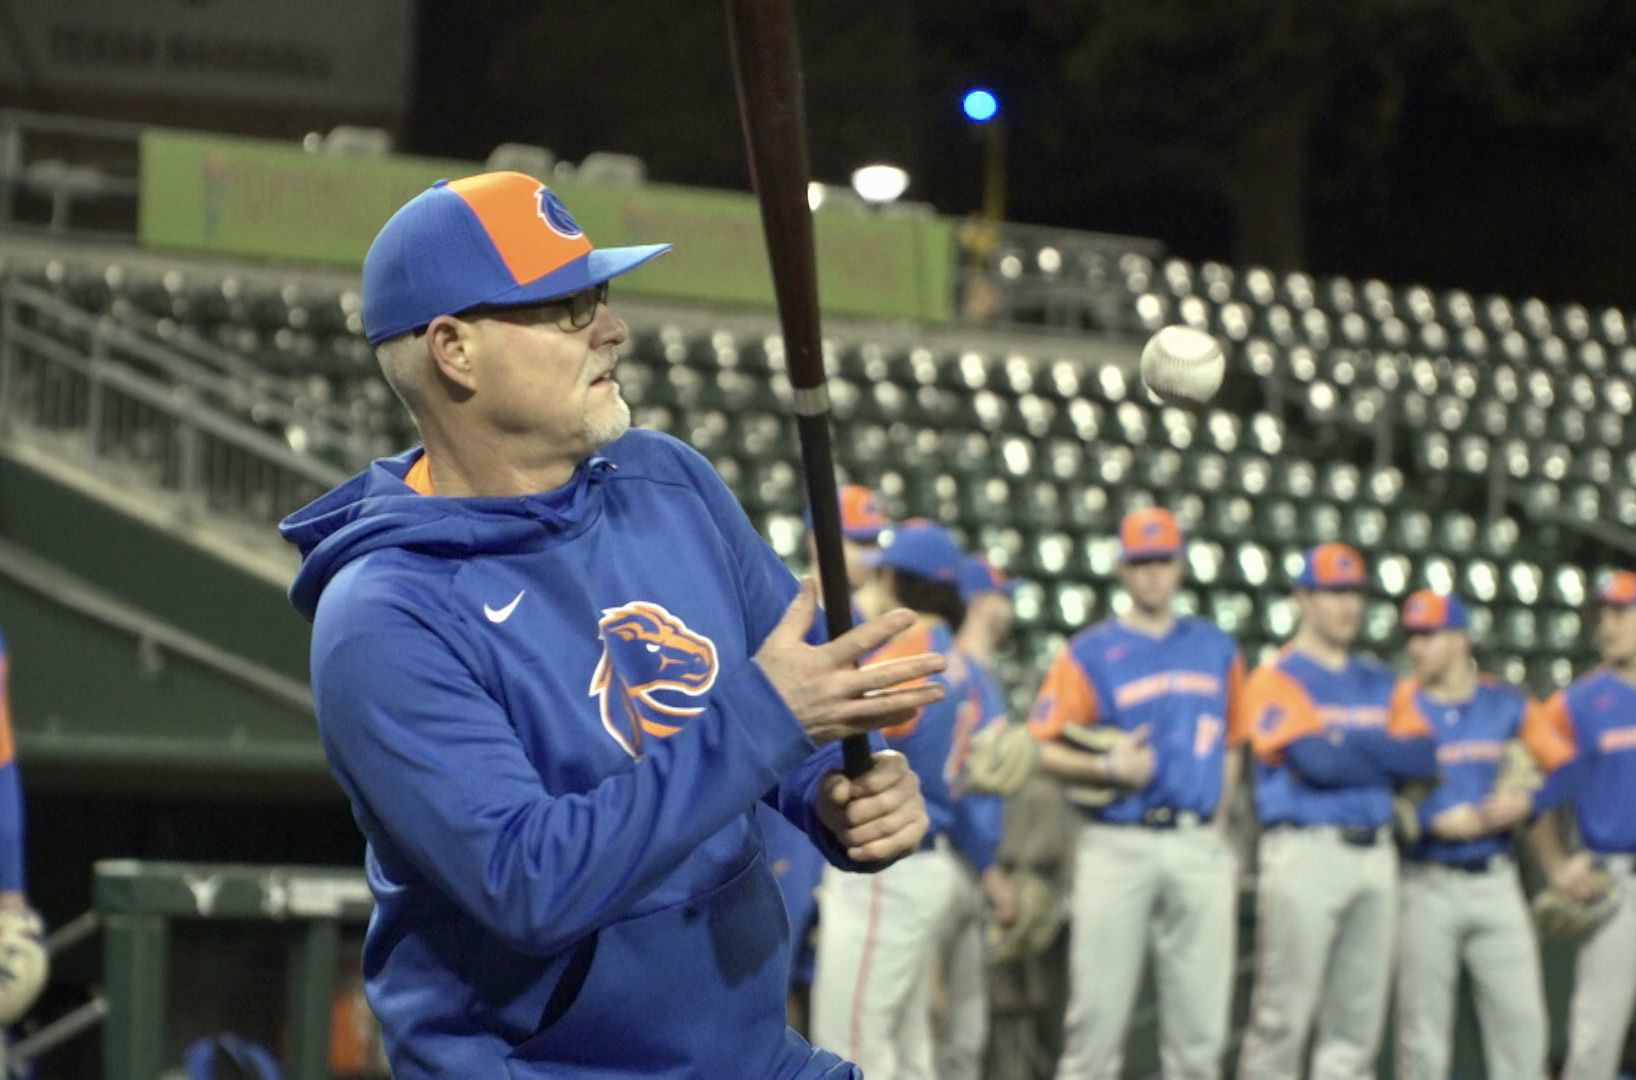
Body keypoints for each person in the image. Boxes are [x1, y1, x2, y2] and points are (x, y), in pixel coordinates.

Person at [279, 171, 943, 1079]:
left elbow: (799, 695)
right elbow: (530, 883)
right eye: (565, 308)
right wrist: (770, 721)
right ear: (454, 350)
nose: (612, 329)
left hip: (748, 1055)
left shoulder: (665, 479)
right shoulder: (382, 615)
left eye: (602, 296)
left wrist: (838, 793)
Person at [1027, 507, 1245, 1079]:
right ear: (1123, 569)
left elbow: (1233, 744)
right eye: (1142, 562)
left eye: (1163, 560)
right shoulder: (1090, 651)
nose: (1153, 574)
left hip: (1196, 840)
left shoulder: (1217, 648)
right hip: (1116, 841)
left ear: (1180, 564)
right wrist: (1105, 766)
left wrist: (1218, 829)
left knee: (1200, 1039)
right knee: (1095, 1027)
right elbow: (1038, 748)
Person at [1236, 543, 1437, 1080]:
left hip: (1375, 855)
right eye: (1333, 592)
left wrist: (1349, 745)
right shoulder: (1274, 676)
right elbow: (1317, 761)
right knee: (1282, 1021)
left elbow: (1423, 755)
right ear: (1304, 598)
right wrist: (1376, 753)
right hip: (1307, 851)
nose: (1347, 605)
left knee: (1356, 1029)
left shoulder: (1380, 679)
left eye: (1354, 593)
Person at [810, 520, 974, 1078]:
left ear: (893, 577)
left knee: (852, 1042)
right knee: (907, 1048)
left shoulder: (908, 651)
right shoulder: (960, 655)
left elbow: (837, 724)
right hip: (931, 857)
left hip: (889, 866)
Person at [1390, 589, 1547, 1080]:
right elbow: (1382, 785)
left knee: (1524, 1028)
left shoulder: (1507, 702)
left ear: (1460, 639)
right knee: (1422, 1039)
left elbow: (1562, 765)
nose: (1417, 648)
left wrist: (1528, 799)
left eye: (1429, 635)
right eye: (1412, 636)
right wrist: (1428, 817)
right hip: (1426, 878)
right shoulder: (1399, 703)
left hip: (1497, 876)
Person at [763, 483, 894, 1032]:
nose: (867, 555)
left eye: (871, 542)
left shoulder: (867, 618)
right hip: (789, 812)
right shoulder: (785, 609)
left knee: (833, 985)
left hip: (847, 807)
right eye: (855, 541)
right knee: (777, 971)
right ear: (820, 540)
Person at [1524, 570, 1636, 1079]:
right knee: (1595, 1042)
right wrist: (1554, 864)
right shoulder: (1577, 703)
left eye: (1621, 613)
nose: (1607, 626)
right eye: (1602, 616)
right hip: (1616, 882)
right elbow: (1529, 786)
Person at [934, 554, 1021, 1080]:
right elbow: (953, 782)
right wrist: (991, 872)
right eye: (1002, 595)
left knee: (966, 1038)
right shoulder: (955, 673)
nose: (1008, 607)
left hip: (976, 861)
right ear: (983, 603)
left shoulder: (982, 674)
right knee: (936, 1024)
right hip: (952, 856)